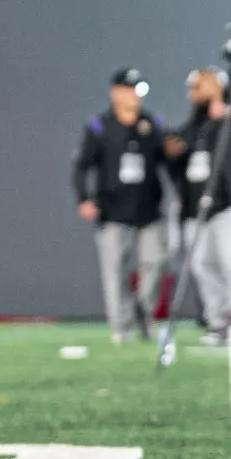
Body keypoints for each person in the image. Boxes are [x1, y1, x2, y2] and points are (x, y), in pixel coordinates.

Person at [73, 67, 169, 344]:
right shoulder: (100, 127)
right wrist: (84, 198)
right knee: (115, 270)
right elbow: (81, 166)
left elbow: (166, 161)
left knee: (155, 263)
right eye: (128, 89)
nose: (134, 96)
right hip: (112, 211)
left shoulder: (152, 125)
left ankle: (145, 314)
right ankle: (122, 326)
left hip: (149, 209)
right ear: (116, 92)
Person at [167, 67, 231, 343]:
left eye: (198, 87)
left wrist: (225, 117)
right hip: (194, 207)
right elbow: (178, 148)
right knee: (202, 265)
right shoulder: (193, 125)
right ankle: (218, 323)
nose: (193, 94)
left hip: (226, 204)